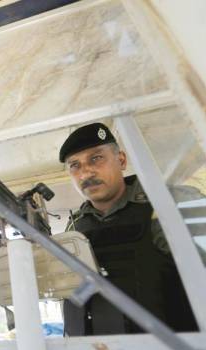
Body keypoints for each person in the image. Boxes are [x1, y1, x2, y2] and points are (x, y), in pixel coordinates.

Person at [59, 122, 198, 336]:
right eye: (74, 165)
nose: (85, 172)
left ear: (121, 160)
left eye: (96, 158)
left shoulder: (167, 204)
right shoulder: (75, 226)